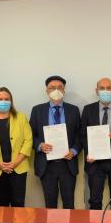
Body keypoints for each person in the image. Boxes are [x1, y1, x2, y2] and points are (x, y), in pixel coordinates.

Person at [29, 76, 82, 209]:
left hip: (67, 164)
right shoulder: (37, 110)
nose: (56, 90)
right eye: (52, 88)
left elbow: (80, 135)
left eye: (60, 87)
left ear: (64, 90)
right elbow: (31, 136)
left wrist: (74, 151)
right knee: (50, 203)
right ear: (47, 91)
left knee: (69, 203)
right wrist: (40, 145)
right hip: (47, 165)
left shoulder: (74, 110)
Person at [81, 77, 111, 210]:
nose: (105, 91)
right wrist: (89, 152)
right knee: (95, 201)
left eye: (109, 88)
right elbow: (83, 135)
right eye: (102, 88)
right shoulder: (88, 109)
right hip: (95, 163)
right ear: (96, 91)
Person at [0, 87, 32, 207]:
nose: (3, 102)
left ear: (11, 101)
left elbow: (28, 141)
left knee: (18, 203)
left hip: (18, 167)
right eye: (0, 99)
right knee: (2, 204)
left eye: (7, 99)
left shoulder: (21, 117)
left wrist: (15, 163)